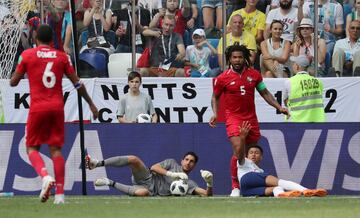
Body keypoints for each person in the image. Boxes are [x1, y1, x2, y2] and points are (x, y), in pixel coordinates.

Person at [9, 25, 99, 204]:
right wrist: (91, 103)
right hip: (57, 108)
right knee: (56, 150)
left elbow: (13, 82)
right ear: (52, 40)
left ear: (35, 38)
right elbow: (77, 84)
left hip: (38, 108)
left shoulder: (27, 55)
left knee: (32, 148)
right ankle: (60, 195)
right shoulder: (62, 57)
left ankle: (44, 176)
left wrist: (20, 70)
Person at [209, 43, 289, 197]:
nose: (237, 60)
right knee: (238, 148)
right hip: (233, 118)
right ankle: (235, 186)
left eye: (240, 57)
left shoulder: (254, 75)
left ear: (244, 58)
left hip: (251, 118)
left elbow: (265, 93)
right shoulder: (222, 78)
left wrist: (278, 107)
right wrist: (215, 113)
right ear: (229, 59)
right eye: (234, 57)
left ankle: (248, 183)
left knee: (249, 153)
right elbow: (215, 97)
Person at [237, 122, 328, 197]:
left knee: (275, 188)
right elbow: (240, 154)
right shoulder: (244, 162)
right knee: (280, 182)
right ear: (247, 156)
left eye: (256, 153)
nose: (253, 155)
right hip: (247, 178)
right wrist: (242, 138)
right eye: (251, 153)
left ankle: (282, 194)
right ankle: (306, 190)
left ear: (261, 157)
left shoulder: (260, 171)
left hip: (246, 191)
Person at [85, 151, 213, 196]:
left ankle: (109, 182)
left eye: (191, 162)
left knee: (143, 193)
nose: (188, 163)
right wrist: (173, 175)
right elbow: (154, 167)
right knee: (134, 159)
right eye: (186, 159)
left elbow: (207, 195)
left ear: (194, 165)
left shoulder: (189, 183)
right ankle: (96, 163)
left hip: (150, 191)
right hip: (148, 178)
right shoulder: (171, 163)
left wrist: (209, 183)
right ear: (182, 160)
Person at [283, 55, 326, 122]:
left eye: (294, 64)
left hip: (296, 122)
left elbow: (286, 102)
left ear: (297, 66)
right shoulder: (318, 82)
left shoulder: (289, 82)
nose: (293, 66)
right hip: (317, 122)